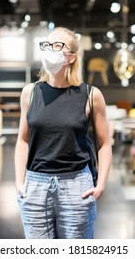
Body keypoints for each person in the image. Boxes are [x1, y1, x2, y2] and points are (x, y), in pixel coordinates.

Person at [14, 27, 112, 239]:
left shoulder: (90, 95)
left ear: (71, 57)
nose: (50, 50)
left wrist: (101, 183)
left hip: (76, 185)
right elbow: (23, 140)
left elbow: (104, 143)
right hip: (35, 186)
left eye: (58, 45)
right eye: (47, 45)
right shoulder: (30, 92)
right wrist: (19, 181)